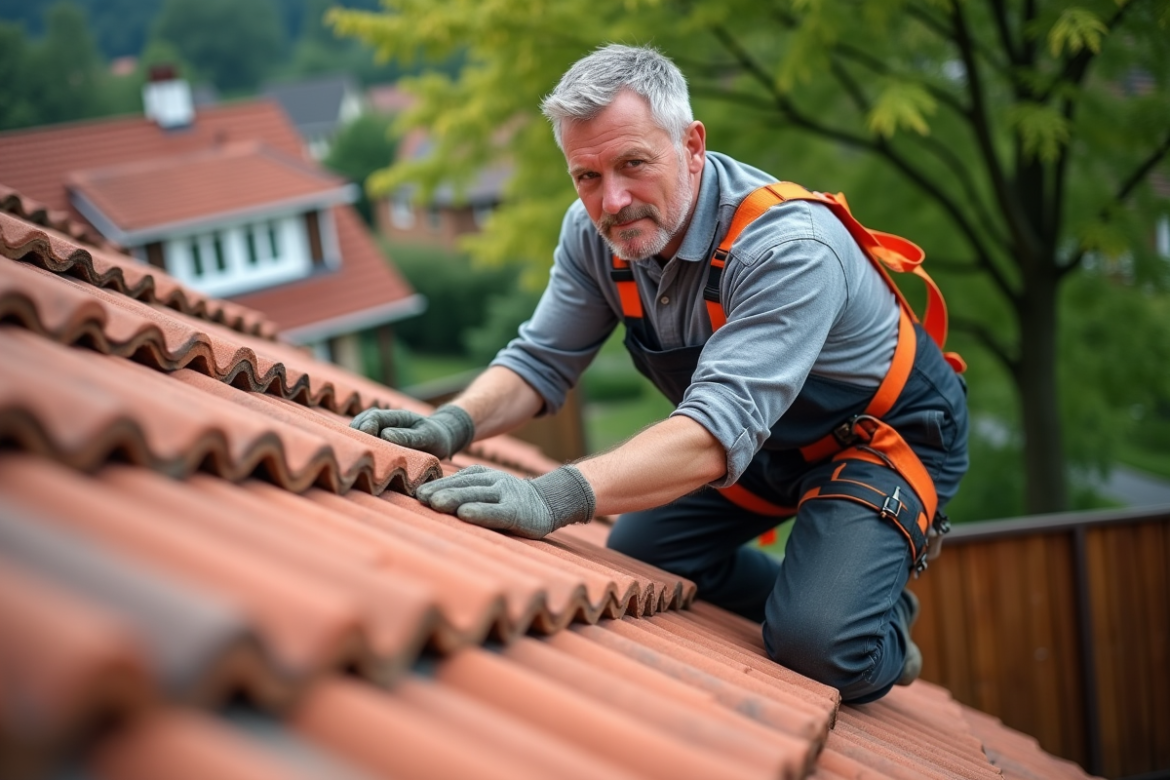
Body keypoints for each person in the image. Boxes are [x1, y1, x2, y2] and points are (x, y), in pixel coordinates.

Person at [351, 44, 968, 703]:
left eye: (633, 165)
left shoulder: (787, 248)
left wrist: (550, 496)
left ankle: (873, 622)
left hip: (882, 439)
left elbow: (710, 435)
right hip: (765, 439)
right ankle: (818, 588)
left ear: (692, 145)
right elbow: (540, 360)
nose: (612, 200)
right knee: (643, 552)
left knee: (818, 646)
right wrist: (450, 425)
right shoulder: (593, 236)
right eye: (586, 176)